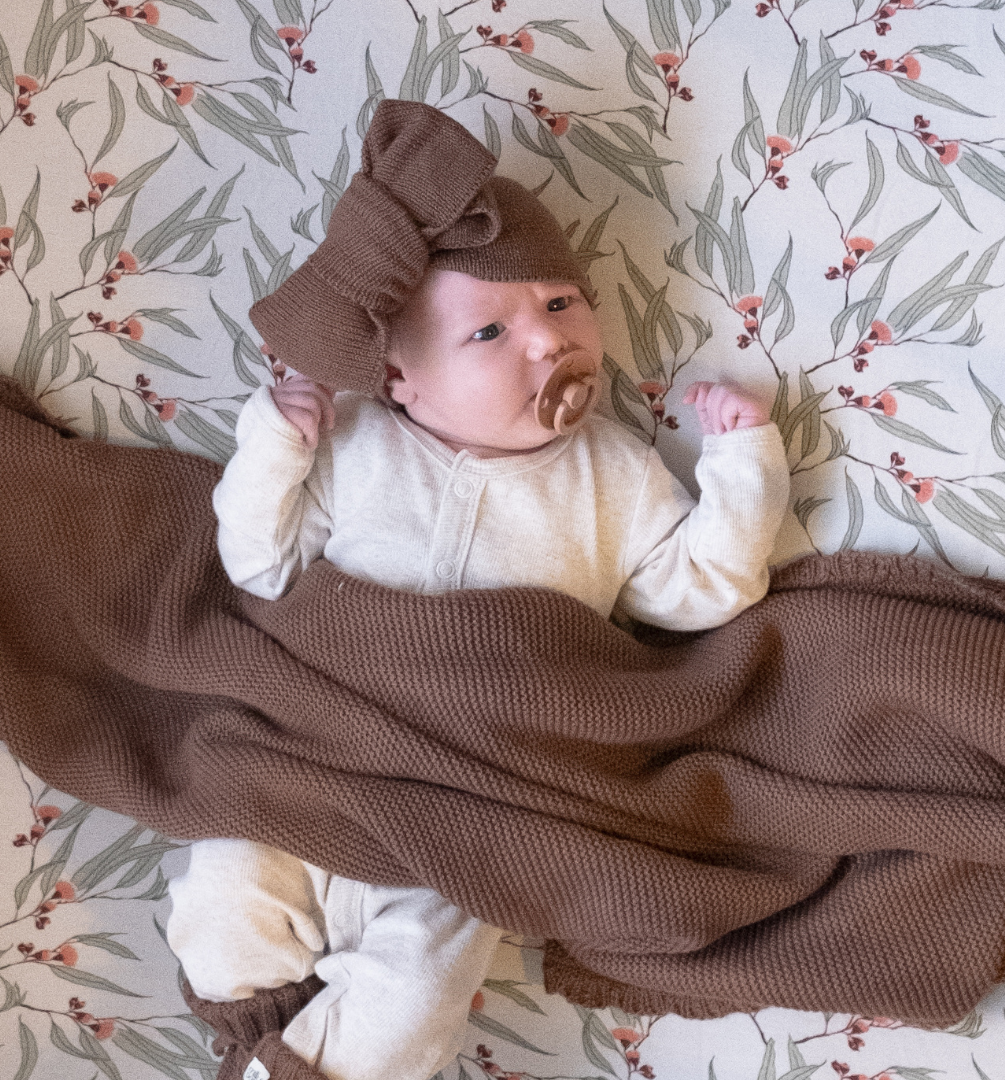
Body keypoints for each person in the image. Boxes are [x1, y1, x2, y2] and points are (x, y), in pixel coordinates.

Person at [166, 99, 790, 1080]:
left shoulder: (611, 474)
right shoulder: (362, 449)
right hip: (313, 767)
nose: (548, 342)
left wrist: (744, 461)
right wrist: (274, 443)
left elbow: (698, 589)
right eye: (490, 331)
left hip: (466, 820)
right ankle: (257, 1035)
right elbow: (262, 565)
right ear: (402, 381)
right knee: (224, 896)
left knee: (419, 992)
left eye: (560, 304)